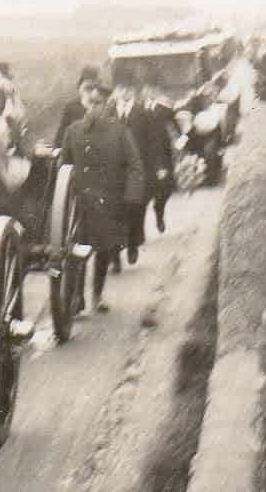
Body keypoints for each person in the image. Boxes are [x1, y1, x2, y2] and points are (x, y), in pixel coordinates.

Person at [60, 75, 144, 311]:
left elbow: (134, 164)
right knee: (77, 252)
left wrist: (131, 197)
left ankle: (97, 295)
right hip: (79, 203)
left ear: (107, 105)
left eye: (100, 103)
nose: (95, 107)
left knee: (104, 250)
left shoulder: (119, 132)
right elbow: (64, 168)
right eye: (91, 103)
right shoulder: (73, 132)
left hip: (109, 202)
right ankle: (77, 297)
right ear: (85, 103)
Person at [124, 83, 179, 260]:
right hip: (145, 160)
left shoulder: (164, 108)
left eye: (150, 90)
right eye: (144, 90)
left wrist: (166, 159)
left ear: (156, 91)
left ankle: (159, 211)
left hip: (161, 153)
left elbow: (174, 128)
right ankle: (139, 233)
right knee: (142, 198)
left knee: (164, 191)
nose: (147, 93)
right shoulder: (139, 109)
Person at [57, 65, 103, 142]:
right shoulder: (71, 107)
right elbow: (61, 136)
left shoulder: (103, 105)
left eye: (94, 87)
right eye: (88, 88)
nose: (91, 93)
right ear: (80, 88)